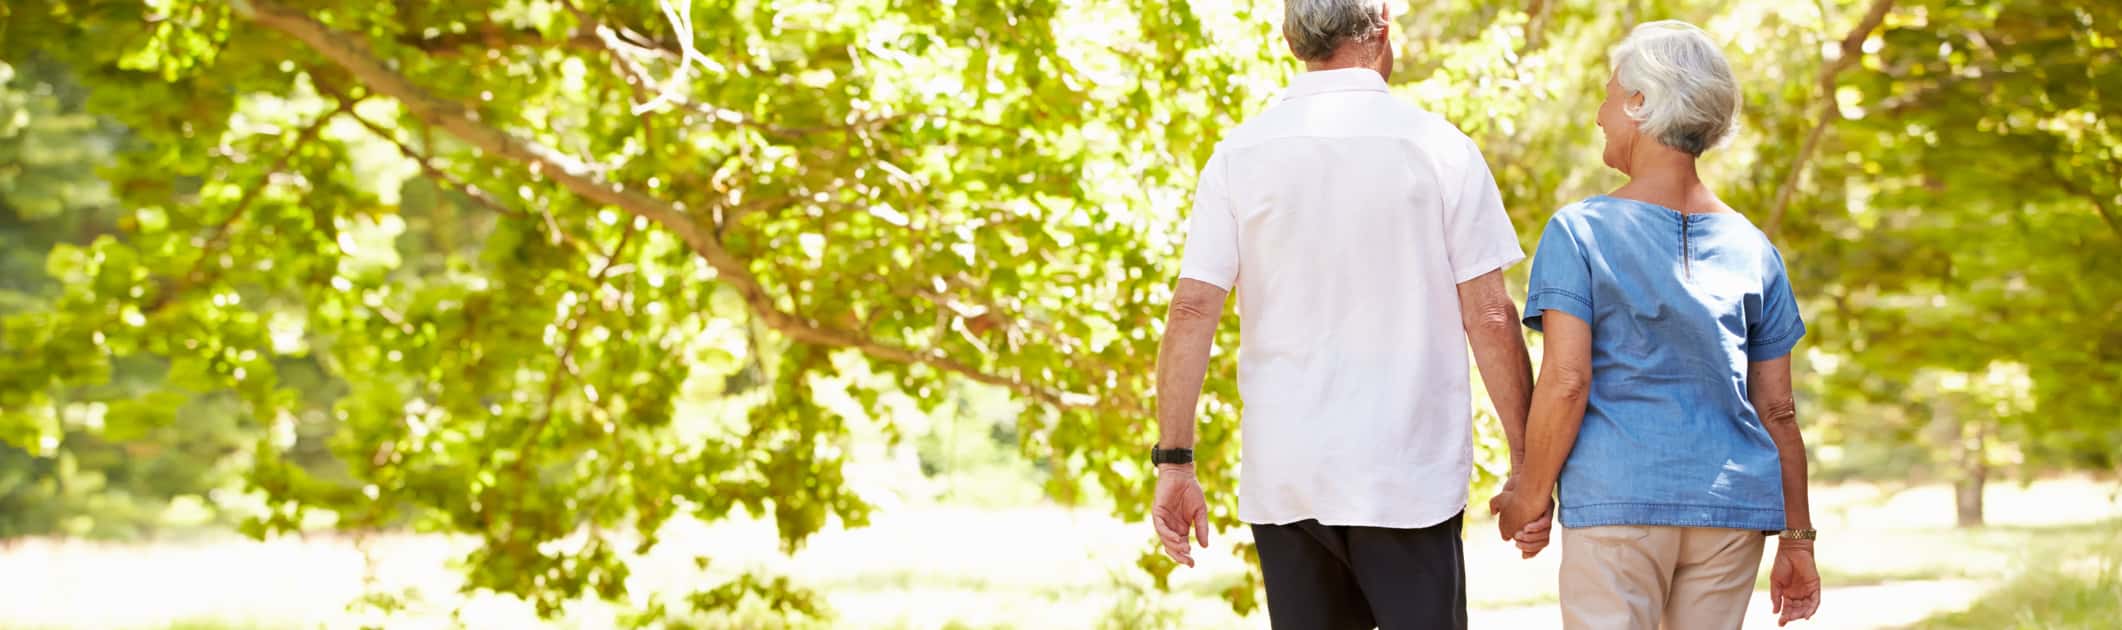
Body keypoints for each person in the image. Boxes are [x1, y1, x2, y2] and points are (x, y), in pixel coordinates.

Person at [1144, 1, 1544, 627]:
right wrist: (1528, 466)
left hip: (1289, 477)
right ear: (1384, 27)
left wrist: (1174, 461)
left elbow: (1193, 308)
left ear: (1289, 37)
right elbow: (1491, 315)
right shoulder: (1439, 148)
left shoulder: (1237, 155)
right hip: (1406, 477)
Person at [1488, 20, 1824, 629]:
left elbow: (1566, 379)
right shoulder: (1754, 247)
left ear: (1641, 104)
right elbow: (1778, 411)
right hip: (1729, 514)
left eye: (1611, 95)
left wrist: (1527, 499)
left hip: (1619, 507)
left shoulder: (1580, 231)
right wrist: (1797, 538)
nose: (1599, 115)